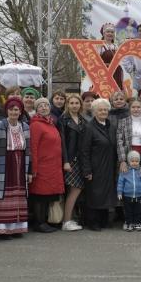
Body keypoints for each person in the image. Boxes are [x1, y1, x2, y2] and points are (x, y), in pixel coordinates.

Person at [0, 97, 31, 238]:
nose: (14, 112)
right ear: (7, 111)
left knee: (19, 194)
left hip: (20, 163)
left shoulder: (25, 126)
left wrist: (29, 169)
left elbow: (28, 149)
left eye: (16, 109)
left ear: (20, 111)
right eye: (11, 109)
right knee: (4, 194)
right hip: (4, 163)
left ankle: (17, 227)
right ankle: (3, 228)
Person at [28, 98, 66, 233]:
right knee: (40, 196)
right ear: (36, 109)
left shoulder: (50, 123)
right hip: (42, 166)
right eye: (40, 106)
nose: (44, 108)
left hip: (52, 166)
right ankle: (39, 223)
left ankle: (44, 221)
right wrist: (34, 169)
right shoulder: (36, 125)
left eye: (46, 105)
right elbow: (33, 147)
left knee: (47, 196)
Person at [80, 98, 119, 231]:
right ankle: (92, 221)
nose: (103, 112)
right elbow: (84, 150)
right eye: (100, 110)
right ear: (95, 112)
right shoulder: (89, 127)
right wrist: (87, 170)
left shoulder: (111, 126)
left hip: (109, 165)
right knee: (94, 194)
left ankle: (103, 220)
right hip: (95, 166)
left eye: (105, 109)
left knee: (106, 194)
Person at [117, 98, 141, 214]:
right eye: (133, 107)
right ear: (130, 109)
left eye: (138, 107)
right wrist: (123, 160)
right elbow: (119, 141)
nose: (136, 109)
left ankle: (138, 215)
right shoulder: (123, 122)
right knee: (127, 184)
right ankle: (126, 215)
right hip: (127, 154)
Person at [59, 94, 86, 232]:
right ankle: (66, 221)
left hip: (81, 160)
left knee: (75, 190)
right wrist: (66, 161)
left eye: (77, 103)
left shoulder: (82, 120)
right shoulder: (63, 120)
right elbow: (62, 142)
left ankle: (69, 218)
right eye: (72, 103)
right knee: (75, 190)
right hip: (70, 161)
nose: (74, 105)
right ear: (67, 105)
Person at [117, 150, 141, 232]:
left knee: (137, 210)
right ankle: (128, 223)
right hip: (127, 195)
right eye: (132, 161)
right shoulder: (125, 171)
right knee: (128, 210)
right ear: (129, 161)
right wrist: (119, 192)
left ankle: (137, 222)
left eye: (137, 161)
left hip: (138, 195)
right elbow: (120, 182)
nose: (134, 163)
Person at [99, 23, 125, 90]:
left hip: (116, 72)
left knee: (116, 90)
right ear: (104, 33)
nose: (110, 33)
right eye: (108, 32)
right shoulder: (100, 46)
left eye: (112, 32)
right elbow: (96, 61)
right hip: (105, 72)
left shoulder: (116, 46)